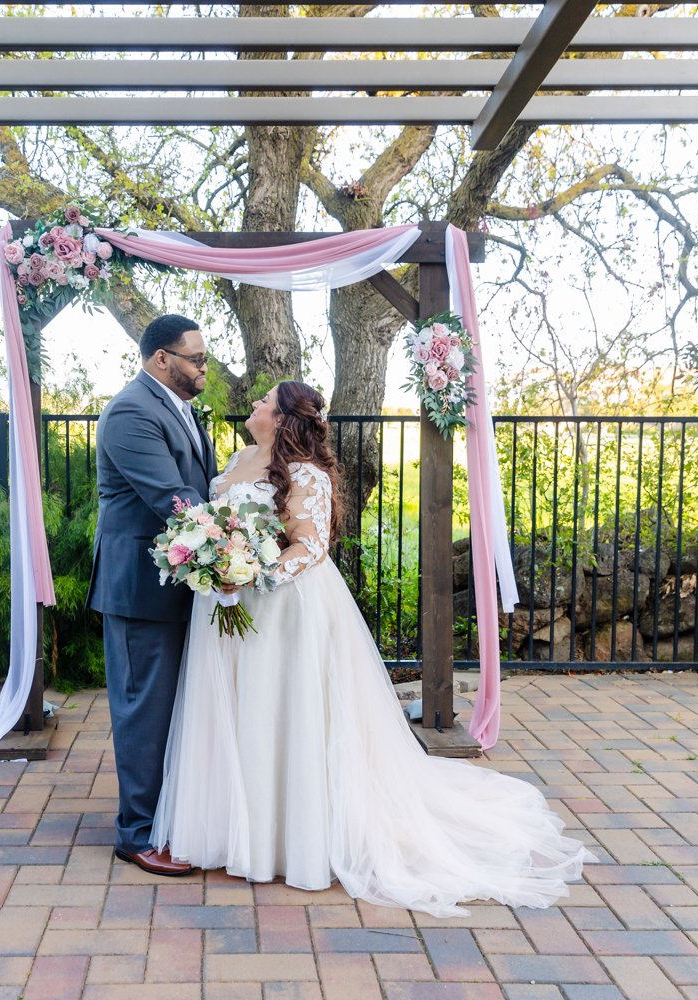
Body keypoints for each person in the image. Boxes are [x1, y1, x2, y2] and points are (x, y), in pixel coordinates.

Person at [152, 380, 593, 913]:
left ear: (284, 417)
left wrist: (249, 574)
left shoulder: (306, 474)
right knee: (236, 710)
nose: (253, 405)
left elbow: (310, 546)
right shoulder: (238, 458)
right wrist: (216, 565)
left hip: (282, 607)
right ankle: (236, 830)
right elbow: (220, 525)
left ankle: (293, 837)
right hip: (225, 607)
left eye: (263, 401)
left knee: (284, 711)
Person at [87, 314, 218, 877]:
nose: (204, 368)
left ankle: (167, 816)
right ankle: (136, 833)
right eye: (197, 359)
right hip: (141, 588)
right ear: (161, 359)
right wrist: (235, 545)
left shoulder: (180, 409)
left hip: (176, 586)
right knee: (144, 711)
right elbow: (174, 498)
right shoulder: (132, 412)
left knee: (174, 710)